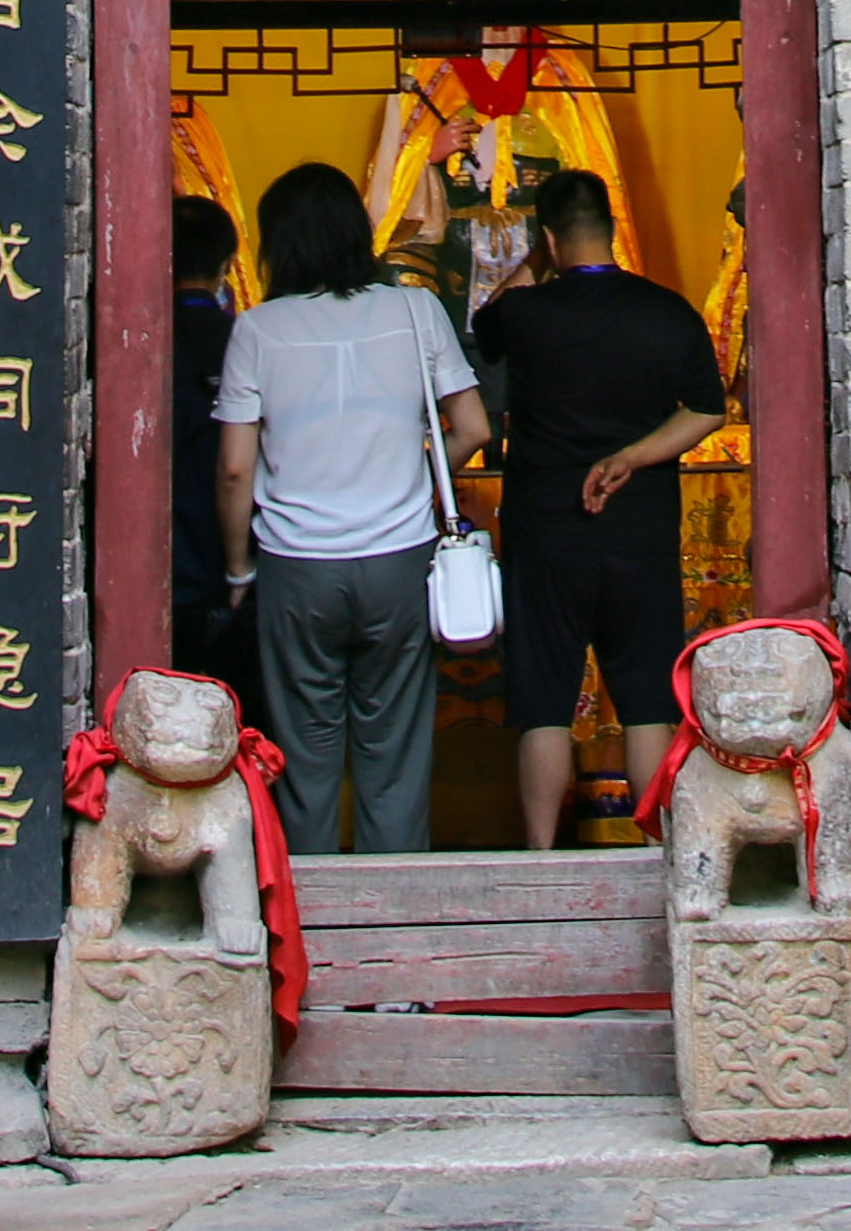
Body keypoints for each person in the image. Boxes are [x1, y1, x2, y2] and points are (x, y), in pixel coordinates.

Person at [213, 159, 488, 856]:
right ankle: (393, 905)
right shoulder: (414, 309)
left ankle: (306, 906)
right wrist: (418, 479)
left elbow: (236, 466)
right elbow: (474, 427)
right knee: (393, 749)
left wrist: (240, 570)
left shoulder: (257, 329)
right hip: (399, 559)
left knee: (303, 751)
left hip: (296, 566)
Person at [467, 164, 730, 850]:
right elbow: (707, 410)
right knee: (646, 700)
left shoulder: (525, 315)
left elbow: (486, 326)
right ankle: (656, 854)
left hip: (547, 529)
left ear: (550, 239)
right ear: (610, 231)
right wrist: (631, 458)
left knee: (544, 704)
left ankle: (541, 856)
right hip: (639, 529)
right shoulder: (668, 312)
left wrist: (533, 258)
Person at [169, 193, 250, 707]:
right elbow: (239, 467)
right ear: (226, 265)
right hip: (231, 563)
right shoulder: (246, 339)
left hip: (164, 560)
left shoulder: (129, 338)